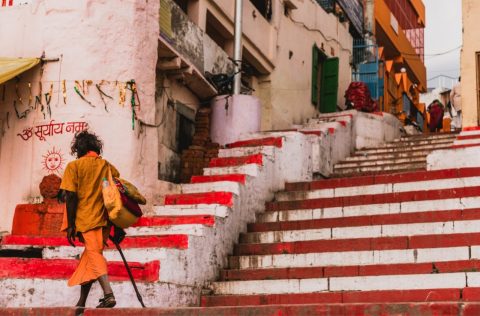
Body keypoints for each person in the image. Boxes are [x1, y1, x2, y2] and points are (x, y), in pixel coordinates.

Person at [60, 130, 121, 308]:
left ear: (79, 148)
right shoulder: (106, 165)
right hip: (104, 221)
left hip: (86, 220)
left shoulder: (74, 167)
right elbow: (115, 185)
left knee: (94, 257)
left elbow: (70, 197)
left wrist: (71, 226)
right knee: (89, 259)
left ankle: (109, 295)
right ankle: (82, 302)